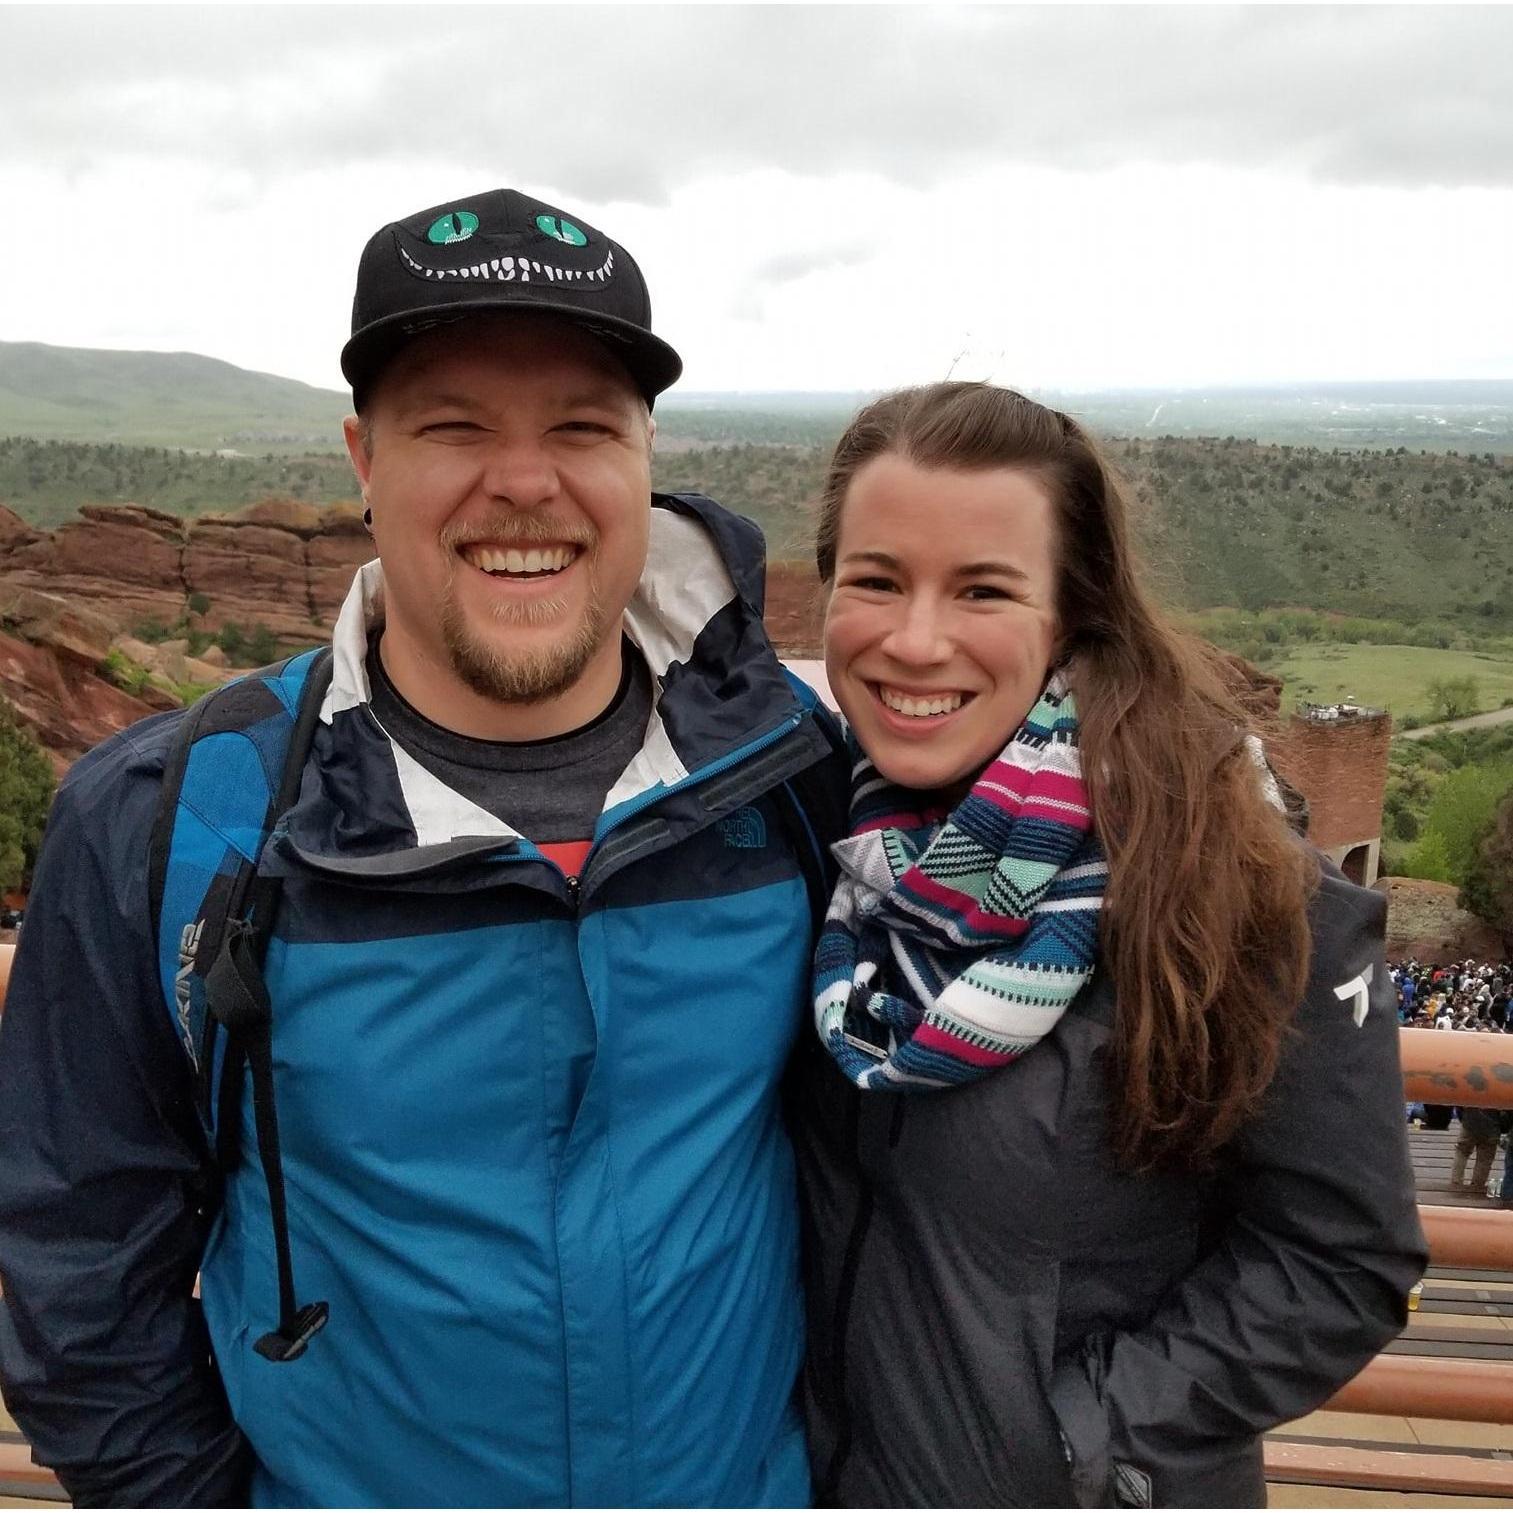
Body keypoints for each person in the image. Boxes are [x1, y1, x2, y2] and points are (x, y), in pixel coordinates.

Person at [0, 188, 846, 1505]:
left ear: (644, 454)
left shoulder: (790, 769)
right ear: (361, 457)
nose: (524, 481)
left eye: (581, 426)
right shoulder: (179, 820)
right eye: (452, 426)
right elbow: (79, 1268)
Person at [788, 382, 1427, 1507]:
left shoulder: (1231, 884)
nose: (914, 638)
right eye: (876, 580)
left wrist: (1079, 1438)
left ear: (1072, 612)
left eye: (982, 589)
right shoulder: (813, 837)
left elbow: (1338, 1259)